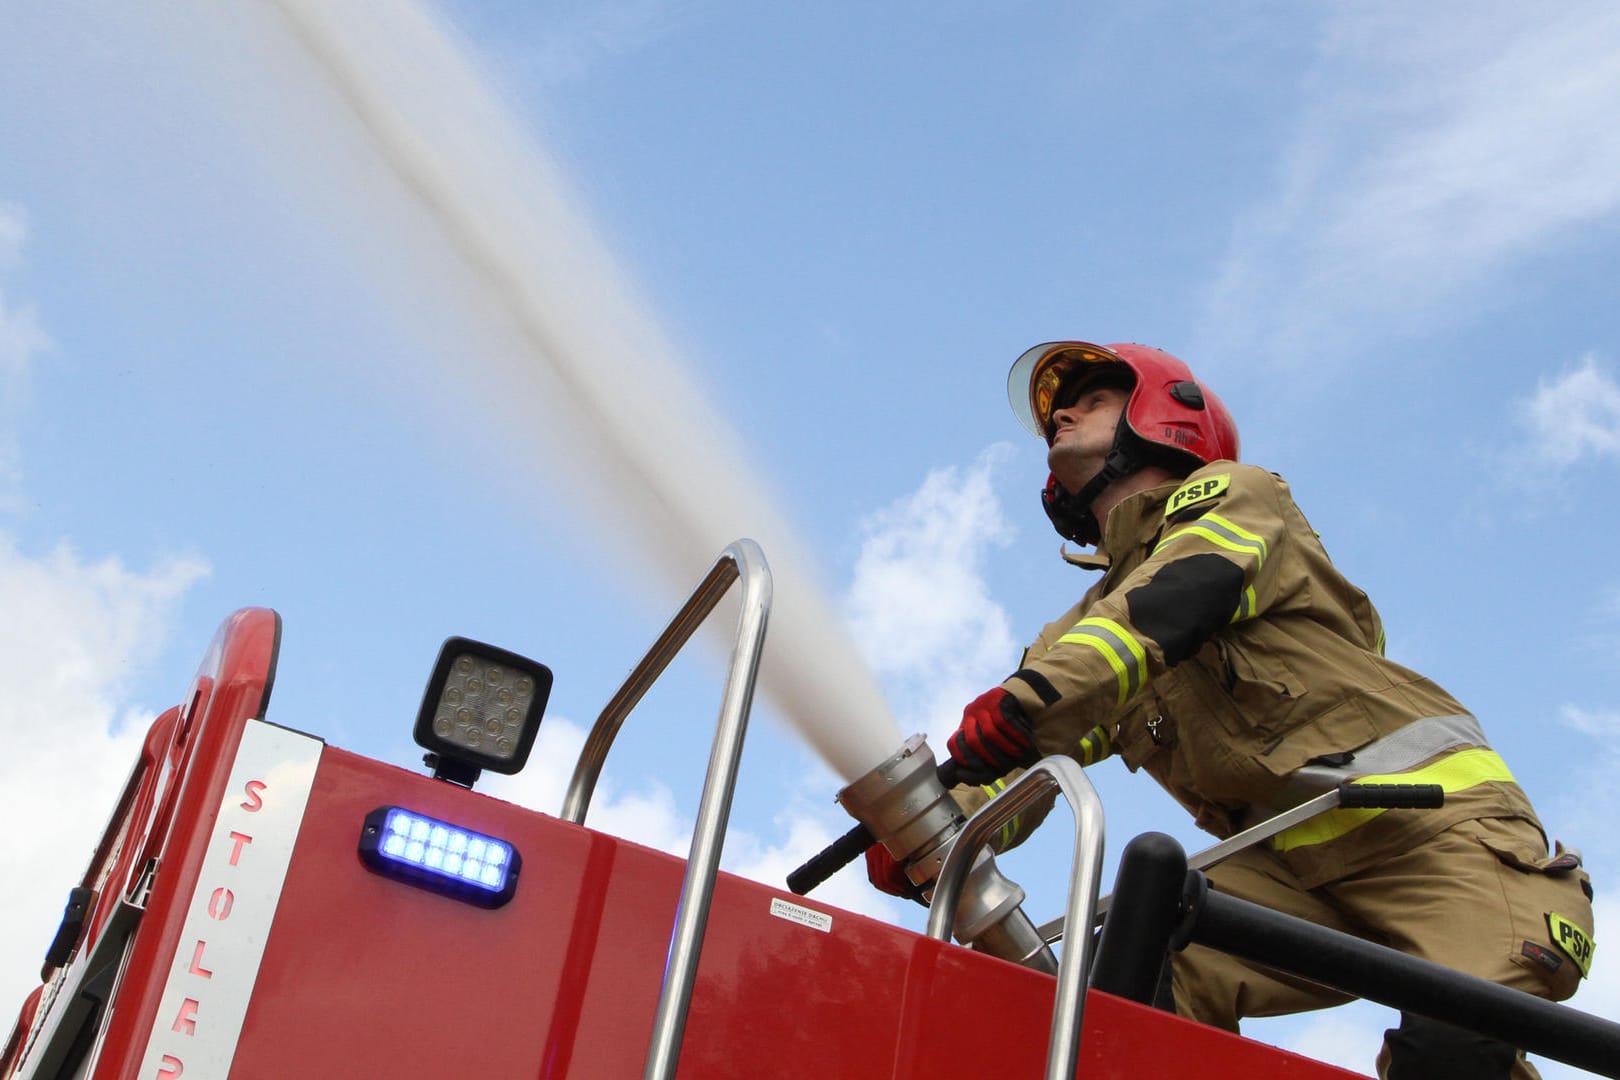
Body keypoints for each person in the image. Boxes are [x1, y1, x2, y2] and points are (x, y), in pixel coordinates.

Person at [867, 340, 1596, 1079]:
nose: (1063, 412)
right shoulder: (1081, 630)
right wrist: (930, 834)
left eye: (1093, 396)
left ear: (1162, 415)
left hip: (1442, 838)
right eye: (1063, 403)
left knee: (1450, 1052)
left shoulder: (1238, 498)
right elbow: (1021, 757)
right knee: (1137, 964)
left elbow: (1178, 599)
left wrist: (1026, 704)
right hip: (1289, 870)